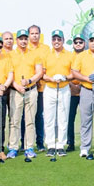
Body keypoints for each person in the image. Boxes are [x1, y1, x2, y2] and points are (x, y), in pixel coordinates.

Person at [9, 29, 42, 160]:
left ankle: (29, 147)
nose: (23, 41)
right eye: (20, 39)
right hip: (16, 91)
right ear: (16, 40)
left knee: (30, 121)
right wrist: (16, 85)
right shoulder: (10, 55)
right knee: (15, 121)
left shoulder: (35, 54)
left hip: (31, 90)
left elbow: (39, 72)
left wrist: (29, 81)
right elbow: (8, 74)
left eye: (25, 38)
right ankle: (13, 147)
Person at [41, 30, 74, 157]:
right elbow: (43, 74)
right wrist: (51, 79)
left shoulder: (70, 55)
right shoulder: (46, 55)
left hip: (64, 88)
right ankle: (50, 145)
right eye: (54, 39)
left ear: (63, 40)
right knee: (49, 118)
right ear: (51, 41)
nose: (56, 42)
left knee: (63, 117)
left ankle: (60, 145)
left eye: (59, 39)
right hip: (50, 88)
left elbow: (73, 73)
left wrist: (65, 77)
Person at [28, 24, 51, 152]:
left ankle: (40, 142)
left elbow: (46, 67)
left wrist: (38, 78)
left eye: (36, 33)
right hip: (29, 86)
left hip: (42, 87)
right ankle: (24, 142)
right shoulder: (26, 48)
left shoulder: (46, 49)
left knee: (39, 116)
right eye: (32, 33)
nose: (34, 35)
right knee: (25, 116)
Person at [66, 34, 86, 152]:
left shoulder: (87, 56)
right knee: (70, 118)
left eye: (80, 42)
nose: (78, 44)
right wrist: (72, 85)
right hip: (71, 90)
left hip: (85, 89)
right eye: (76, 42)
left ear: (84, 44)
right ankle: (70, 143)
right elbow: (65, 72)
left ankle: (85, 144)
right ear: (73, 44)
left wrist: (81, 85)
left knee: (85, 119)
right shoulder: (69, 56)